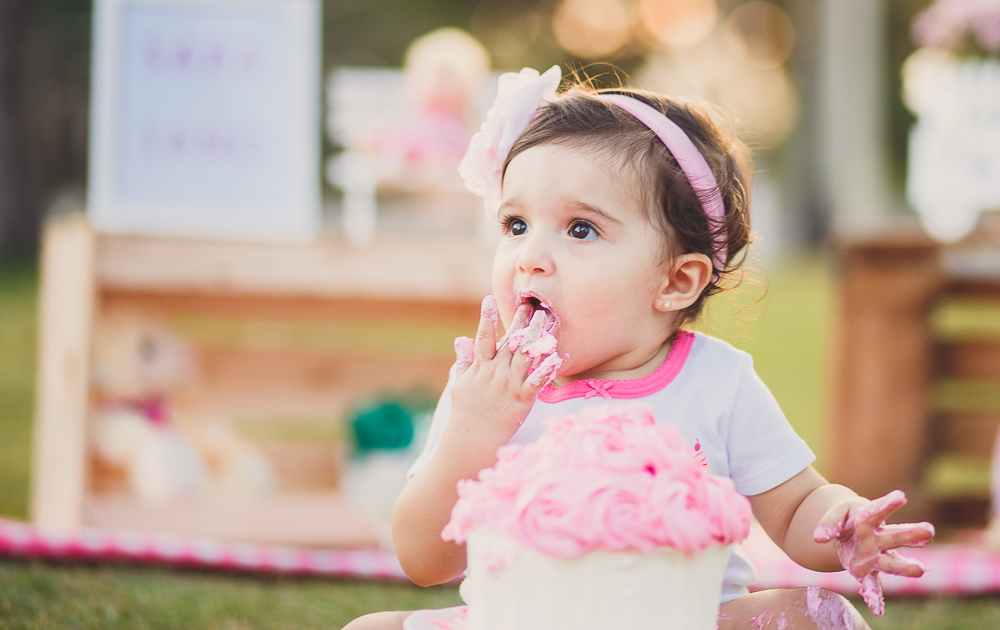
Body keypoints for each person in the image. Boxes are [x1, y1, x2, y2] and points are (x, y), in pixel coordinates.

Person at [343, 67, 934, 630]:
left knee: (815, 616)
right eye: (516, 224)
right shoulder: (484, 390)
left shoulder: (716, 382)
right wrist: (472, 435)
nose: (529, 256)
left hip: (685, 618)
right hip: (519, 619)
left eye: (581, 229)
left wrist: (841, 523)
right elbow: (422, 562)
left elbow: (797, 505)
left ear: (675, 282)